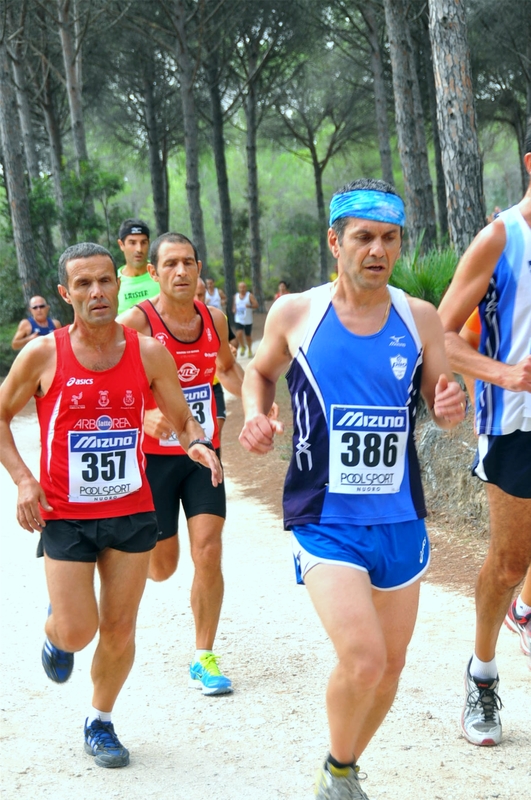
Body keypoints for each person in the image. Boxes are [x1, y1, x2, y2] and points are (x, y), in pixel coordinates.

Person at [239, 178, 466, 799]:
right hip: (325, 517)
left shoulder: (418, 318)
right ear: (334, 240)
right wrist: (257, 413)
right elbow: (258, 374)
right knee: (364, 658)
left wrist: (449, 403)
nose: (377, 250)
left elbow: (442, 400)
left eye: (389, 238)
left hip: (399, 519)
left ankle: (340, 766)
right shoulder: (297, 314)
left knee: (389, 669)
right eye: (363, 237)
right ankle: (339, 774)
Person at [0, 243, 221, 769]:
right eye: (83, 284)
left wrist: (195, 441)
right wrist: (24, 480)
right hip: (66, 514)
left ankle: (100, 720)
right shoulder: (43, 353)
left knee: (120, 628)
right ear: (65, 293)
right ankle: (59, 627)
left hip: (130, 509)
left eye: (104, 281)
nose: (96, 292)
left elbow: (182, 415)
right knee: (79, 630)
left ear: (118, 284)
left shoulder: (147, 352)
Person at [117, 232, 244, 695]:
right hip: (152, 460)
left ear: (199, 267)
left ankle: (204, 656)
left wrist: (254, 400)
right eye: (170, 264)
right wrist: (145, 413)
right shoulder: (137, 323)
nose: (181, 272)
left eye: (188, 262)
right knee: (162, 565)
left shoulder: (214, 318)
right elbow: (107, 381)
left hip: (200, 450)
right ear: (153, 273)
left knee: (208, 548)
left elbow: (226, 368)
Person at [438, 125, 531, 747]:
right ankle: (482, 676)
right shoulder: (502, 238)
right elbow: (439, 333)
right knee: (509, 562)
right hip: (516, 425)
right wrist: (503, 374)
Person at [195, 278, 237, 441]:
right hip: (184, 389)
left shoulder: (216, 317)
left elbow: (232, 341)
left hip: (213, 384)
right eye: (195, 295)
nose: (199, 300)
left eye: (202, 295)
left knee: (215, 431)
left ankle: (212, 462)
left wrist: (230, 348)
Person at [116, 218, 158, 314]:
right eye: (132, 243)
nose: (139, 249)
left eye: (143, 243)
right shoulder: (113, 282)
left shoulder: (161, 275)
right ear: (121, 245)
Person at [233, 281, 258, 357]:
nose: (242, 289)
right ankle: (243, 346)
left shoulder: (249, 296)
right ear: (238, 288)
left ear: (246, 288)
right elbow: (234, 305)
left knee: (248, 336)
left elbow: (256, 305)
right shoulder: (236, 296)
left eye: (243, 287)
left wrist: (250, 306)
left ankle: (250, 349)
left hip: (248, 320)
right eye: (240, 287)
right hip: (239, 319)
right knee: (239, 333)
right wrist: (234, 309)